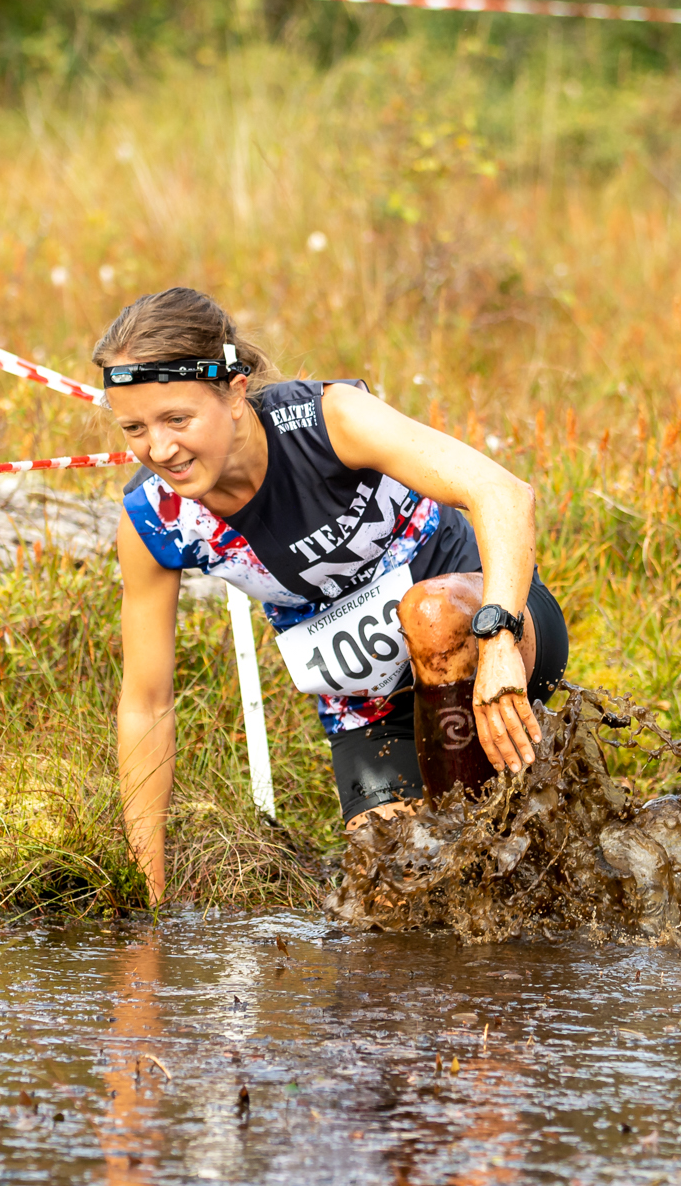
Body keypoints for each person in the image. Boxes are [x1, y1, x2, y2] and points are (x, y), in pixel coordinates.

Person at [105, 288, 568, 901]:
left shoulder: (329, 421)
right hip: (369, 706)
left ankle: (511, 856)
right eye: (135, 428)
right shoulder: (155, 518)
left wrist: (500, 634)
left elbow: (503, 493)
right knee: (392, 895)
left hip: (491, 632)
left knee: (430, 617)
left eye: (177, 420)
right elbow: (146, 704)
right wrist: (151, 900)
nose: (159, 450)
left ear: (235, 393)